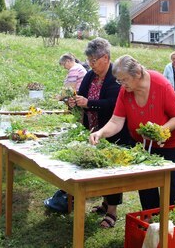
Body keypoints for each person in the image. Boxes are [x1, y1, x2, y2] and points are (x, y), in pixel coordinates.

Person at [45, 38, 132, 228]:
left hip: (112, 129)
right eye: (89, 60)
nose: (91, 64)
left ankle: (112, 212)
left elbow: (113, 103)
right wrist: (73, 101)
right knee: (99, 169)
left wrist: (89, 103)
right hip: (92, 128)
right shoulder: (90, 76)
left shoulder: (116, 76)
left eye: (94, 60)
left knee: (112, 171)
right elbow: (81, 94)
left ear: (106, 58)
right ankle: (104, 203)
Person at [89, 54, 175, 211]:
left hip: (170, 144)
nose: (122, 84)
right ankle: (150, 221)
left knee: (171, 185)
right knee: (146, 184)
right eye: (119, 80)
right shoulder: (125, 91)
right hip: (142, 143)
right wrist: (100, 133)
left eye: (124, 79)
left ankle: (173, 224)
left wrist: (161, 131)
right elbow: (116, 121)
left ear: (137, 74)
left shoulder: (160, 85)